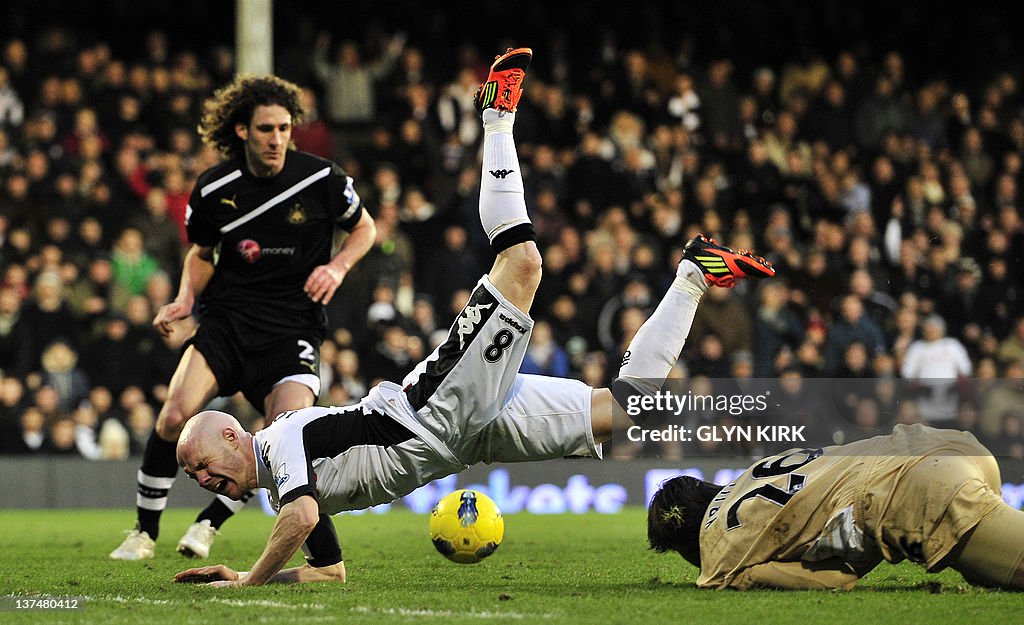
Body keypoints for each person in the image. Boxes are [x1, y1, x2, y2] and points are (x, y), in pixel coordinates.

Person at [170, 48, 775, 587]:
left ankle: (496, 118)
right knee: (625, 410)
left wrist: (247, 581)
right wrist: (258, 577)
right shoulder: (284, 486)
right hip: (465, 440)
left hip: (437, 408)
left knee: (524, 263)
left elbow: (301, 518)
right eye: (193, 475)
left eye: (198, 463)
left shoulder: (279, 441)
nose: (201, 479)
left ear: (231, 434)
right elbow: (330, 573)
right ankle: (696, 276)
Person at [109, 74, 377, 561]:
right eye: (266, 130)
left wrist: (338, 266)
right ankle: (144, 532)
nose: (277, 139)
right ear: (241, 132)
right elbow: (201, 254)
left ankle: (209, 523)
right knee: (173, 414)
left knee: (283, 435)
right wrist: (185, 298)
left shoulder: (322, 180)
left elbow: (364, 229)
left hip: (292, 330)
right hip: (228, 323)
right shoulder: (214, 188)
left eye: (284, 129)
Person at [647, 424, 1024, 590]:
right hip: (941, 445)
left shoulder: (718, 550)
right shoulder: (753, 473)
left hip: (918, 488)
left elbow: (835, 578)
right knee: (990, 576)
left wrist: (746, 578)